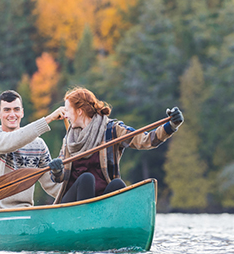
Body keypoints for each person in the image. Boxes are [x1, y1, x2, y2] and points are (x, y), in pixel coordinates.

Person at [46, 87, 184, 204]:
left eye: (67, 110)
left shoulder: (111, 130)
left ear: (79, 111)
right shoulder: (69, 139)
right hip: (72, 205)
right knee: (86, 178)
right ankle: (85, 225)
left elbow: (146, 140)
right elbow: (58, 178)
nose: (65, 115)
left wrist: (171, 125)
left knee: (117, 184)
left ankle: (116, 225)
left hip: (101, 200)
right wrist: (57, 170)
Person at [0, 90, 61, 210]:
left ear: (22, 112)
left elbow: (53, 186)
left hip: (24, 211)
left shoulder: (38, 145)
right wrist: (48, 119)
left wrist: (58, 174)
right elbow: (12, 141)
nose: (12, 114)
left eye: (16, 109)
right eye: (7, 110)